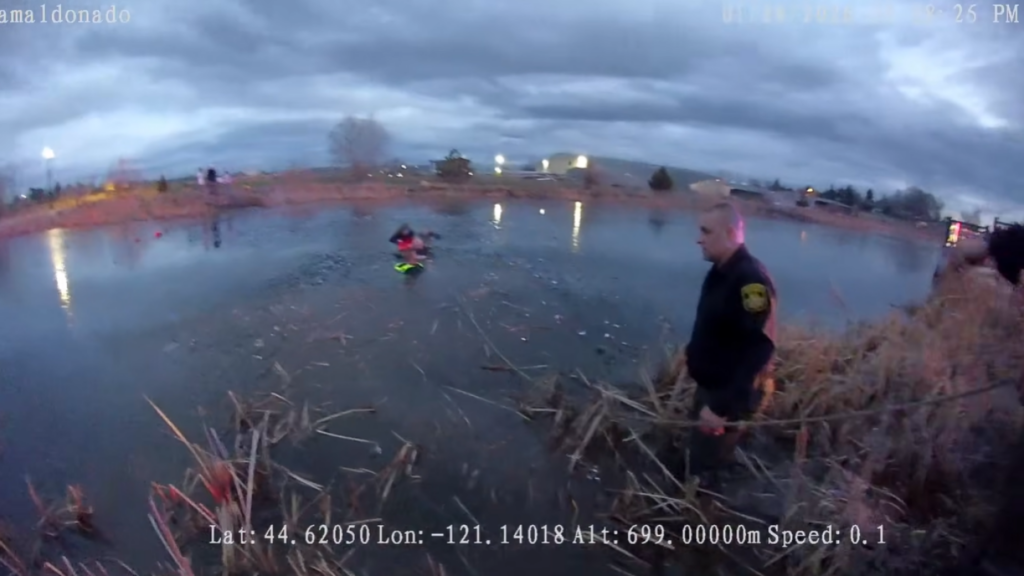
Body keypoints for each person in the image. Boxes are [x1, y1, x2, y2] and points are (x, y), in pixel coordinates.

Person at [683, 202, 777, 486]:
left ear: (730, 233)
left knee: (704, 472)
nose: (698, 239)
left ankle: (703, 506)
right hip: (713, 389)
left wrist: (720, 408)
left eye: (706, 231)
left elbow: (759, 349)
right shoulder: (721, 270)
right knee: (695, 460)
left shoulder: (751, 281)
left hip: (727, 397)